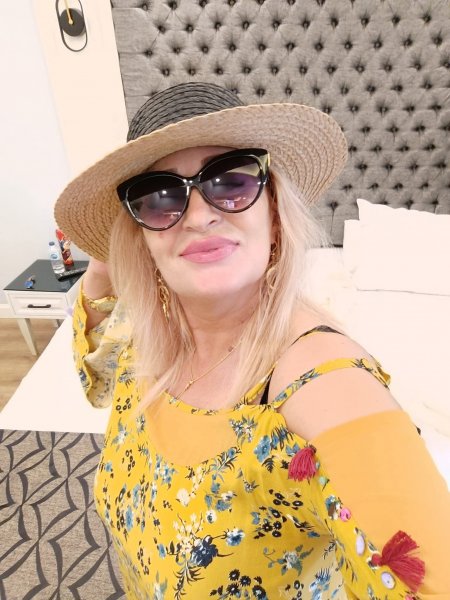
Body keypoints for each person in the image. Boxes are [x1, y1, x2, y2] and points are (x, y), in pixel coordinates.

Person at [55, 82, 449, 600]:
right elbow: (98, 378)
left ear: (276, 215)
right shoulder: (147, 338)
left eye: (231, 181)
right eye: (160, 197)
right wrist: (108, 252)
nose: (199, 216)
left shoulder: (321, 385)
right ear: (141, 238)